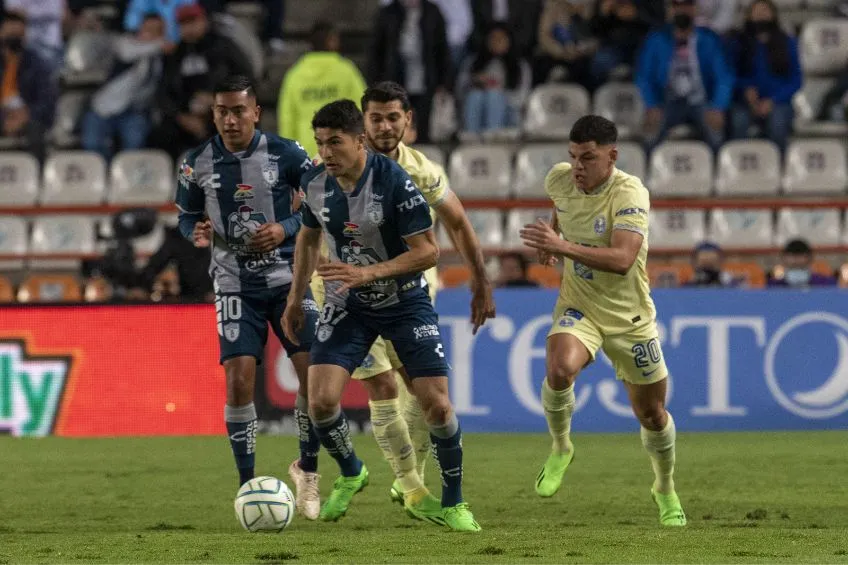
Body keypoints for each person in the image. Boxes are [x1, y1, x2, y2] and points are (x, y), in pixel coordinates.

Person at [282, 99, 481, 531]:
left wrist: (365, 272)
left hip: (404, 302)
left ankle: (454, 503)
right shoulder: (316, 182)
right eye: (320, 143)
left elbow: (429, 252)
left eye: (335, 142)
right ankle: (353, 471)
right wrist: (295, 299)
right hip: (348, 303)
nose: (326, 152)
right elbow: (308, 240)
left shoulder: (394, 181)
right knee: (320, 403)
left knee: (439, 408)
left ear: (359, 141)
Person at [519, 115, 686, 527]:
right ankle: (561, 447)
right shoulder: (558, 180)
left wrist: (561, 244)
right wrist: (552, 241)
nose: (577, 166)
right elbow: (563, 209)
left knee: (652, 414)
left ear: (612, 156)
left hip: (631, 319)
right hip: (581, 307)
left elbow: (623, 258)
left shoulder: (630, 193)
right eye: (573, 157)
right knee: (559, 370)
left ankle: (664, 487)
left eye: (588, 158)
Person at [174, 75, 322, 519]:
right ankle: (248, 487)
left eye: (240, 110)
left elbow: (321, 204)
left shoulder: (286, 153)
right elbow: (185, 217)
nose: (231, 119)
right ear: (213, 113)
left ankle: (308, 473)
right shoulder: (195, 162)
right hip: (234, 284)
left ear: (256, 112)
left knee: (312, 380)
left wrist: (286, 228)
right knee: (239, 381)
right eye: (223, 111)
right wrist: (194, 230)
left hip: (288, 281)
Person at [636, 0, 733, 154]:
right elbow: (644, 77)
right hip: (667, 101)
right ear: (669, 10)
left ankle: (716, 173)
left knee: (716, 134)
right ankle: (646, 173)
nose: (682, 10)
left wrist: (718, 106)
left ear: (695, 9)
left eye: (687, 5)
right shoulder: (656, 39)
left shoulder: (709, 39)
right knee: (651, 135)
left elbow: (724, 77)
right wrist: (651, 105)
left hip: (701, 100)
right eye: (676, 5)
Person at [278, 21, 366, 159]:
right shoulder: (346, 71)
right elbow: (362, 110)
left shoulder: (295, 74)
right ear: (332, 41)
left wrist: (289, 154)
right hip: (341, 151)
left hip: (305, 150)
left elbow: (287, 119)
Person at [729, 0, 801, 153]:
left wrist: (773, 100)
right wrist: (745, 89)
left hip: (778, 103)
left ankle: (778, 167)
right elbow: (731, 74)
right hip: (744, 102)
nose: (761, 15)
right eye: (757, 11)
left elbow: (796, 80)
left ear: (773, 15)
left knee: (778, 124)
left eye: (765, 11)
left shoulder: (787, 42)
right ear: (749, 16)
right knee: (738, 122)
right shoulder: (738, 43)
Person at [768, 239, 837, 288]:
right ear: (783, 259)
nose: (796, 261)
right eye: (792, 256)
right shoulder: (773, 286)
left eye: (800, 256)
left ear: (810, 259)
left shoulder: (826, 284)